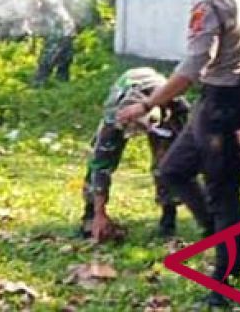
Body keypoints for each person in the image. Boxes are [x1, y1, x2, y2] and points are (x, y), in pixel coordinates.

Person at [117, 0, 240, 308]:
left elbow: (195, 64)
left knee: (223, 191)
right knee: (173, 170)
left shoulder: (211, 0)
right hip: (221, 100)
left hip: (222, 105)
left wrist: (148, 104)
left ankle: (224, 282)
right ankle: (225, 240)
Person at [80, 67, 191, 242]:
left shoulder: (176, 106)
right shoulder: (115, 117)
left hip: (162, 107)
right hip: (126, 99)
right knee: (100, 160)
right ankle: (90, 215)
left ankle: (168, 218)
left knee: (167, 163)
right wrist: (99, 214)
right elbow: (100, 165)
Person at [30, 0, 77, 86]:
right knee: (64, 61)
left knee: (47, 60)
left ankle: (38, 85)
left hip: (60, 32)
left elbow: (38, 10)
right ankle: (62, 86)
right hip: (66, 31)